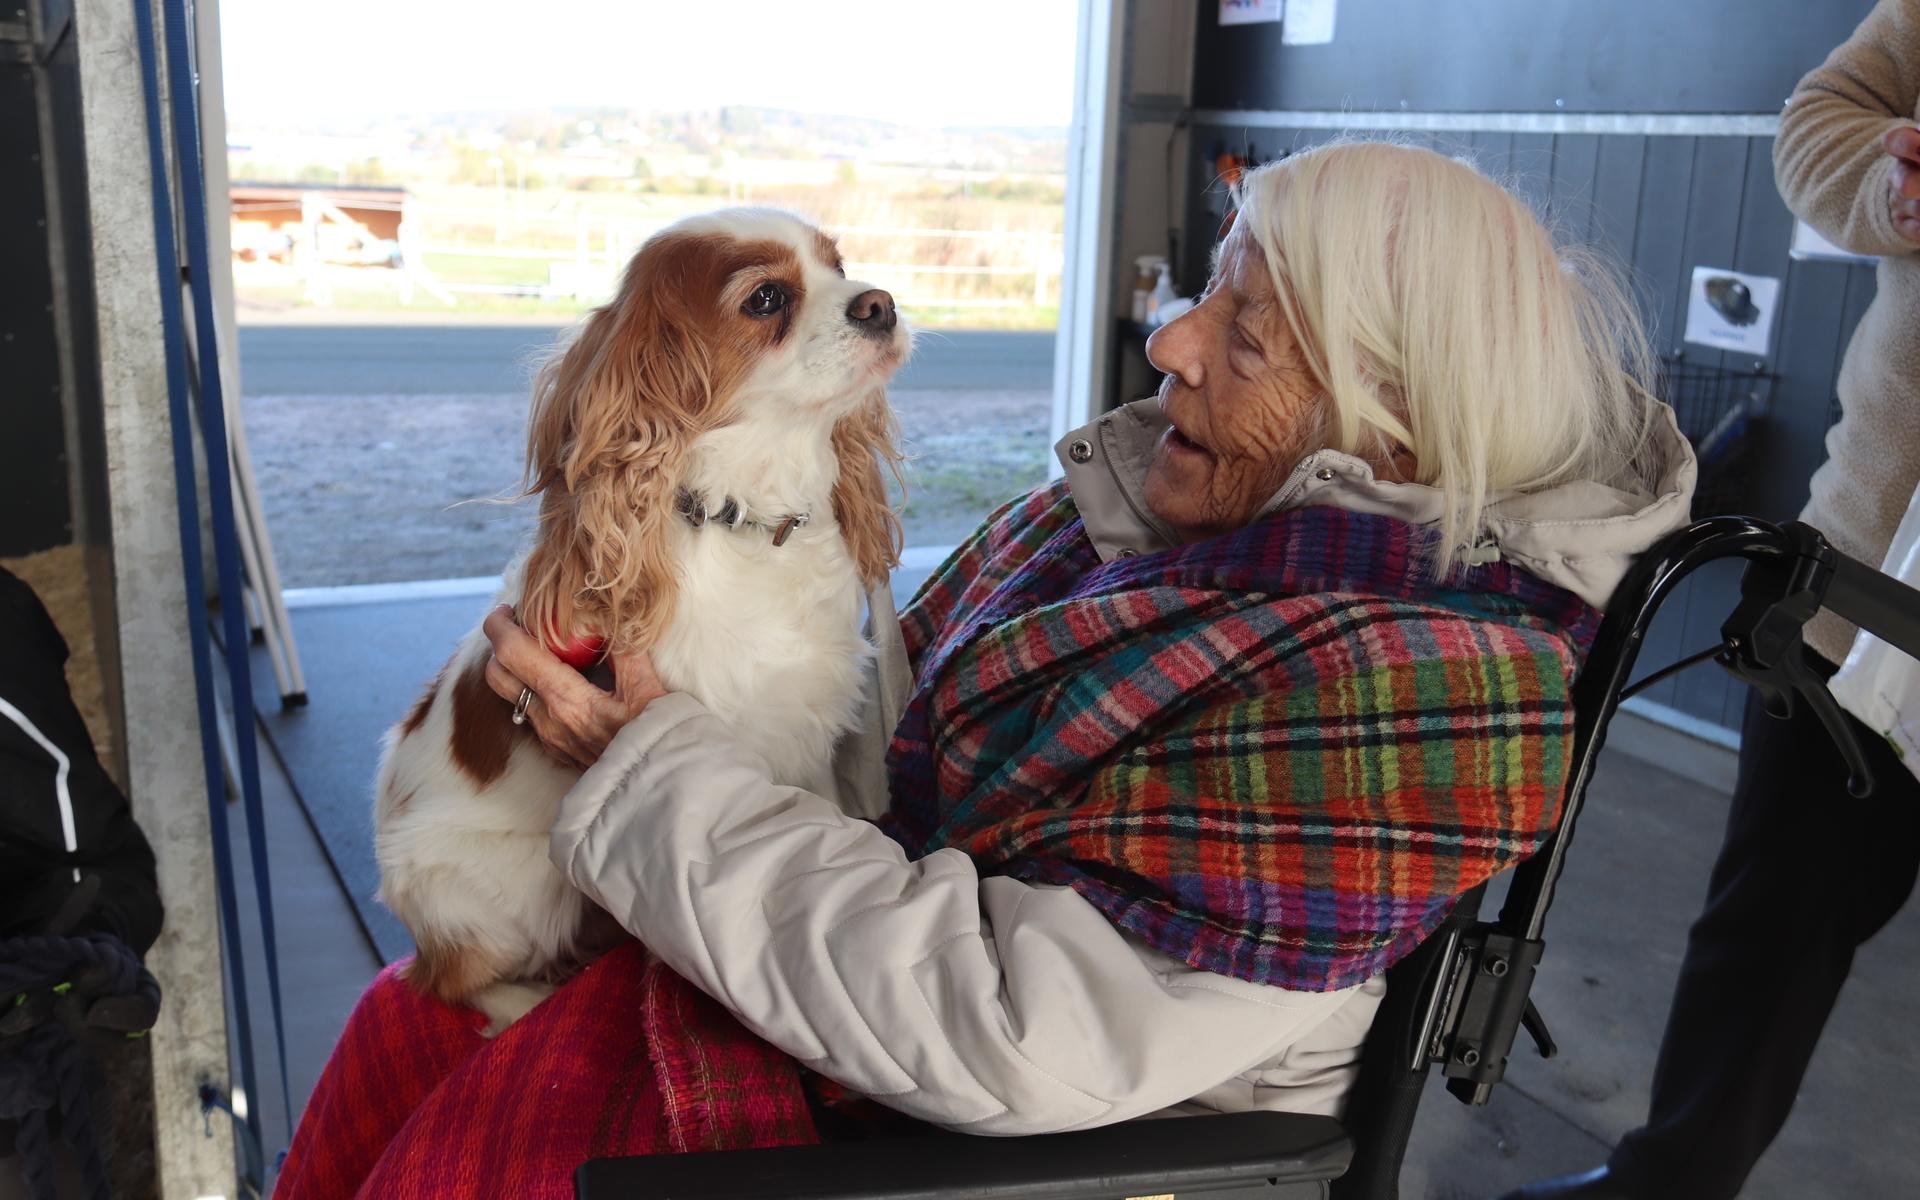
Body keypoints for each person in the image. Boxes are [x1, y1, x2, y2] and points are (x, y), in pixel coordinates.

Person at [274, 140, 1695, 1198]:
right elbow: (878, 717)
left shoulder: (1421, 696)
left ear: (1395, 412)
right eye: (1207, 288)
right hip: (851, 970)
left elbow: (1019, 1039)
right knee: (408, 1020)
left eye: (1245, 329)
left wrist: (646, 772)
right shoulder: (1154, 519)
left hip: (1028, 1138)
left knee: (462, 1147)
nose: (1171, 339)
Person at [1502, 3, 1920, 1198]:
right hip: (1865, 567)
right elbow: (1818, 123)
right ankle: (1667, 1187)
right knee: (1768, 929)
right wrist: (1893, 196)